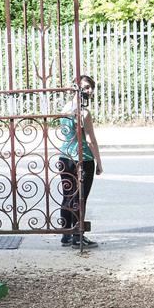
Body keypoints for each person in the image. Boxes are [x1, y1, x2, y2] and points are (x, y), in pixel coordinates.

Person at [57, 75, 104, 248]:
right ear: (76, 88)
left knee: (68, 196)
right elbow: (90, 140)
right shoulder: (84, 113)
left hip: (64, 156)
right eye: (85, 87)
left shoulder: (66, 107)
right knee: (80, 197)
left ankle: (66, 234)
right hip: (82, 158)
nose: (89, 91)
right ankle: (78, 236)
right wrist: (99, 162)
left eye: (91, 87)